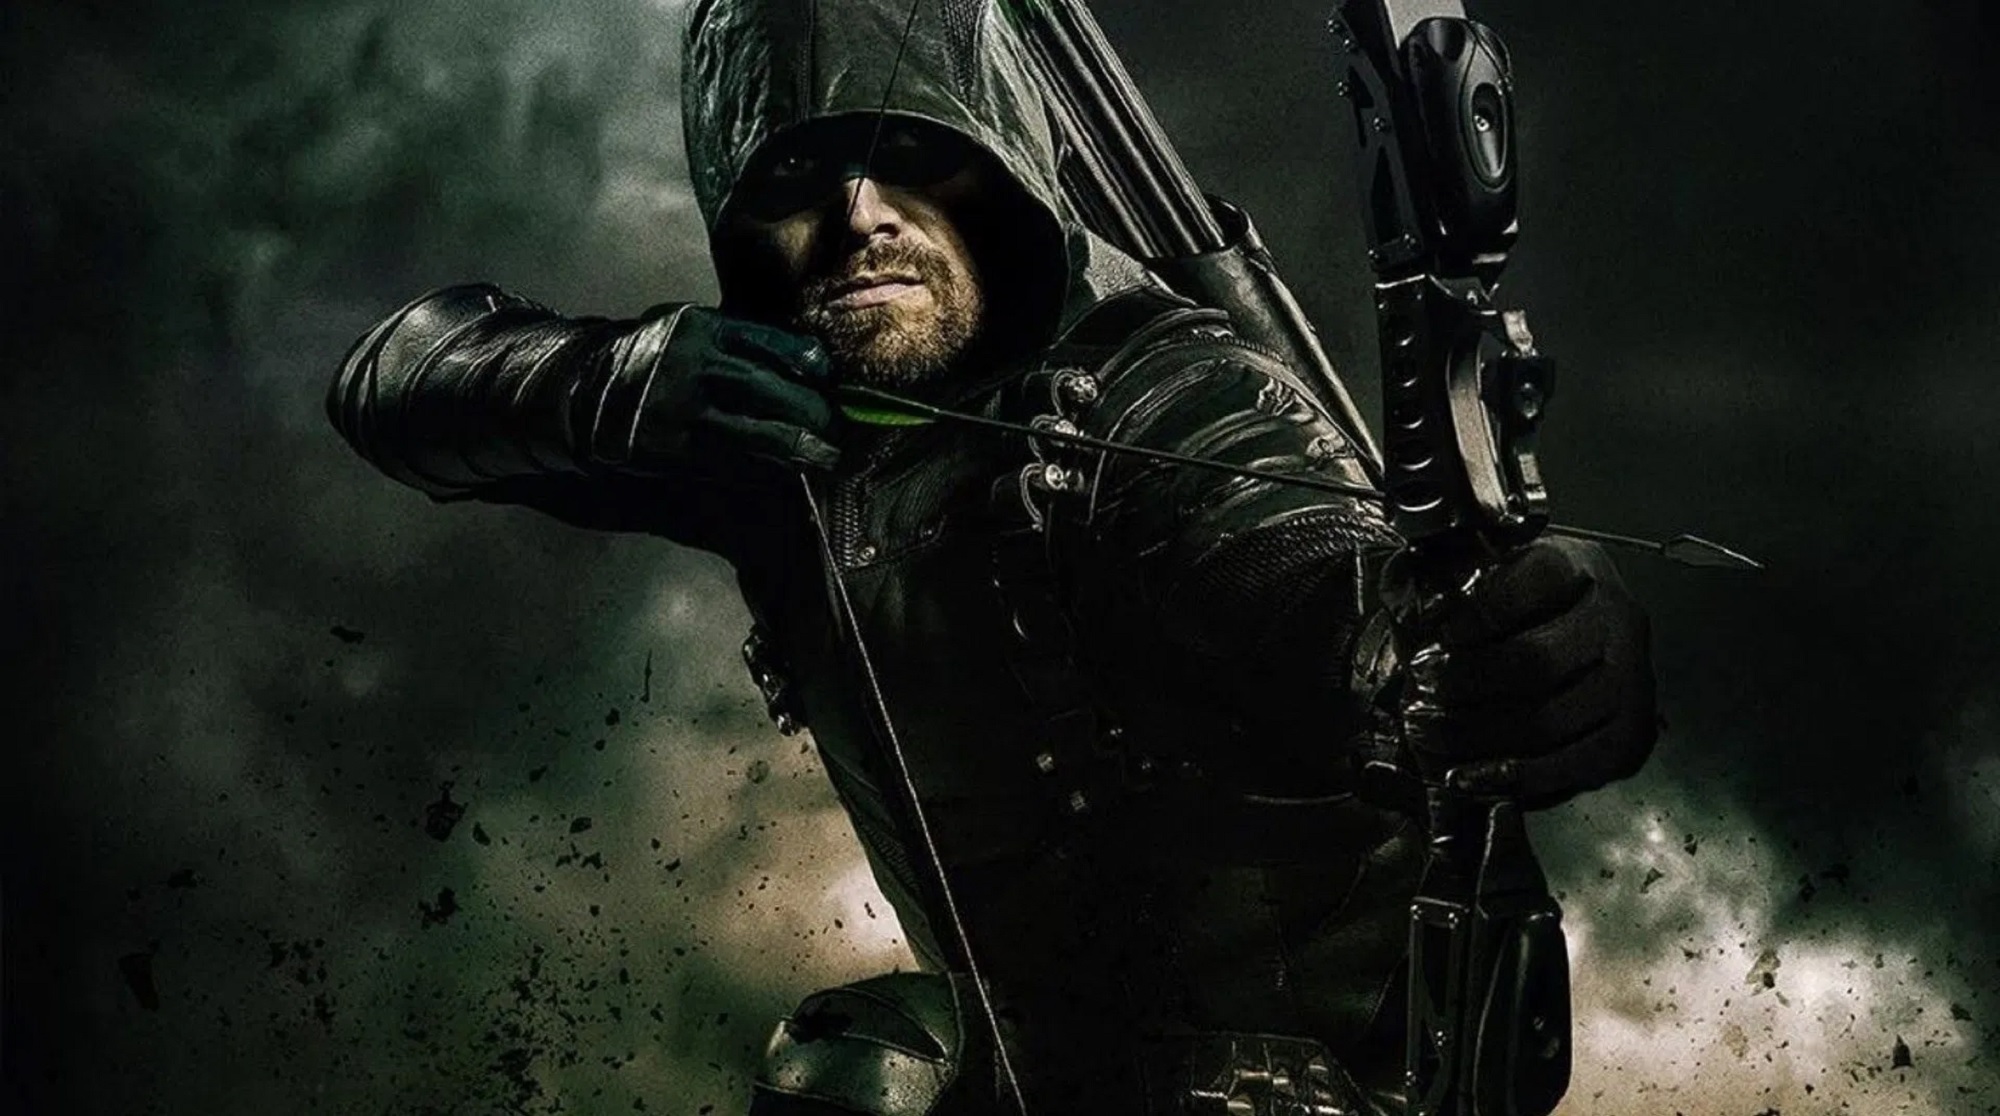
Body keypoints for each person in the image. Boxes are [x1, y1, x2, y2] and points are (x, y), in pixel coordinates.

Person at [327, 0, 1657, 1112]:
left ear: (1006, 174)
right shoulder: (772, 427)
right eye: (798, 175)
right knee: (855, 1066)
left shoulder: (1164, 399)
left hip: (1301, 1095)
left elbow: (1322, 575)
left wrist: (1486, 645)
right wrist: (606, 381)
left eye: (914, 155)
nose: (860, 213)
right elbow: (394, 380)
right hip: (1037, 1076)